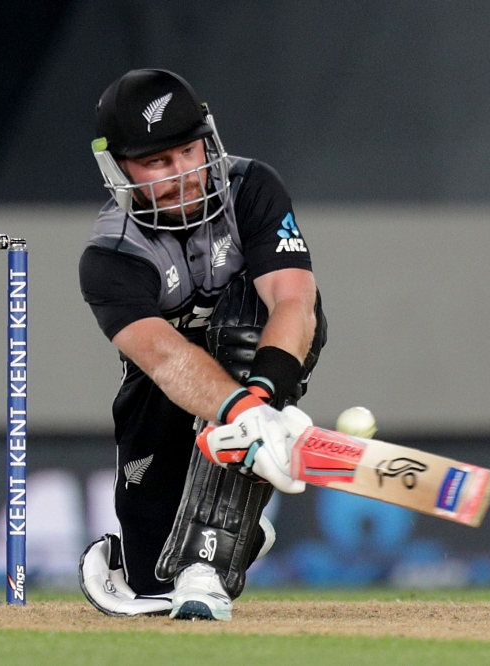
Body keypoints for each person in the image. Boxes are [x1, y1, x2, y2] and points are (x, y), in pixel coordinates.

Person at [77, 69, 325, 621]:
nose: (183, 174)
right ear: (118, 168)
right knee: (149, 578)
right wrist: (243, 414)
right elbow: (162, 357)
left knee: (245, 323)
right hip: (167, 382)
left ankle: (208, 563)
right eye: (158, 162)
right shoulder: (109, 256)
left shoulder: (253, 188)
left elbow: (294, 301)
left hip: (257, 356)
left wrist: (258, 398)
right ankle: (236, 527)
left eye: (188, 151)